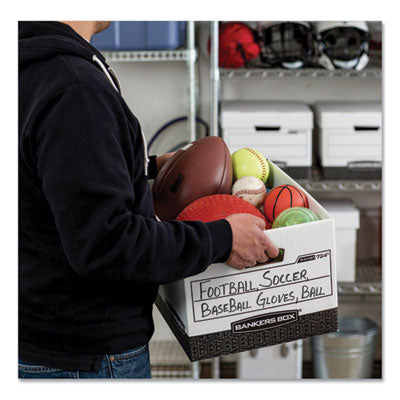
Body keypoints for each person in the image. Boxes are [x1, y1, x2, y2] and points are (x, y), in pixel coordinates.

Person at [18, 21, 279, 379]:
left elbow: (50, 175)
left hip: (44, 333)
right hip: (87, 358)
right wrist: (222, 239)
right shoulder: (76, 89)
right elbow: (106, 243)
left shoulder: (32, 64)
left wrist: (146, 166)